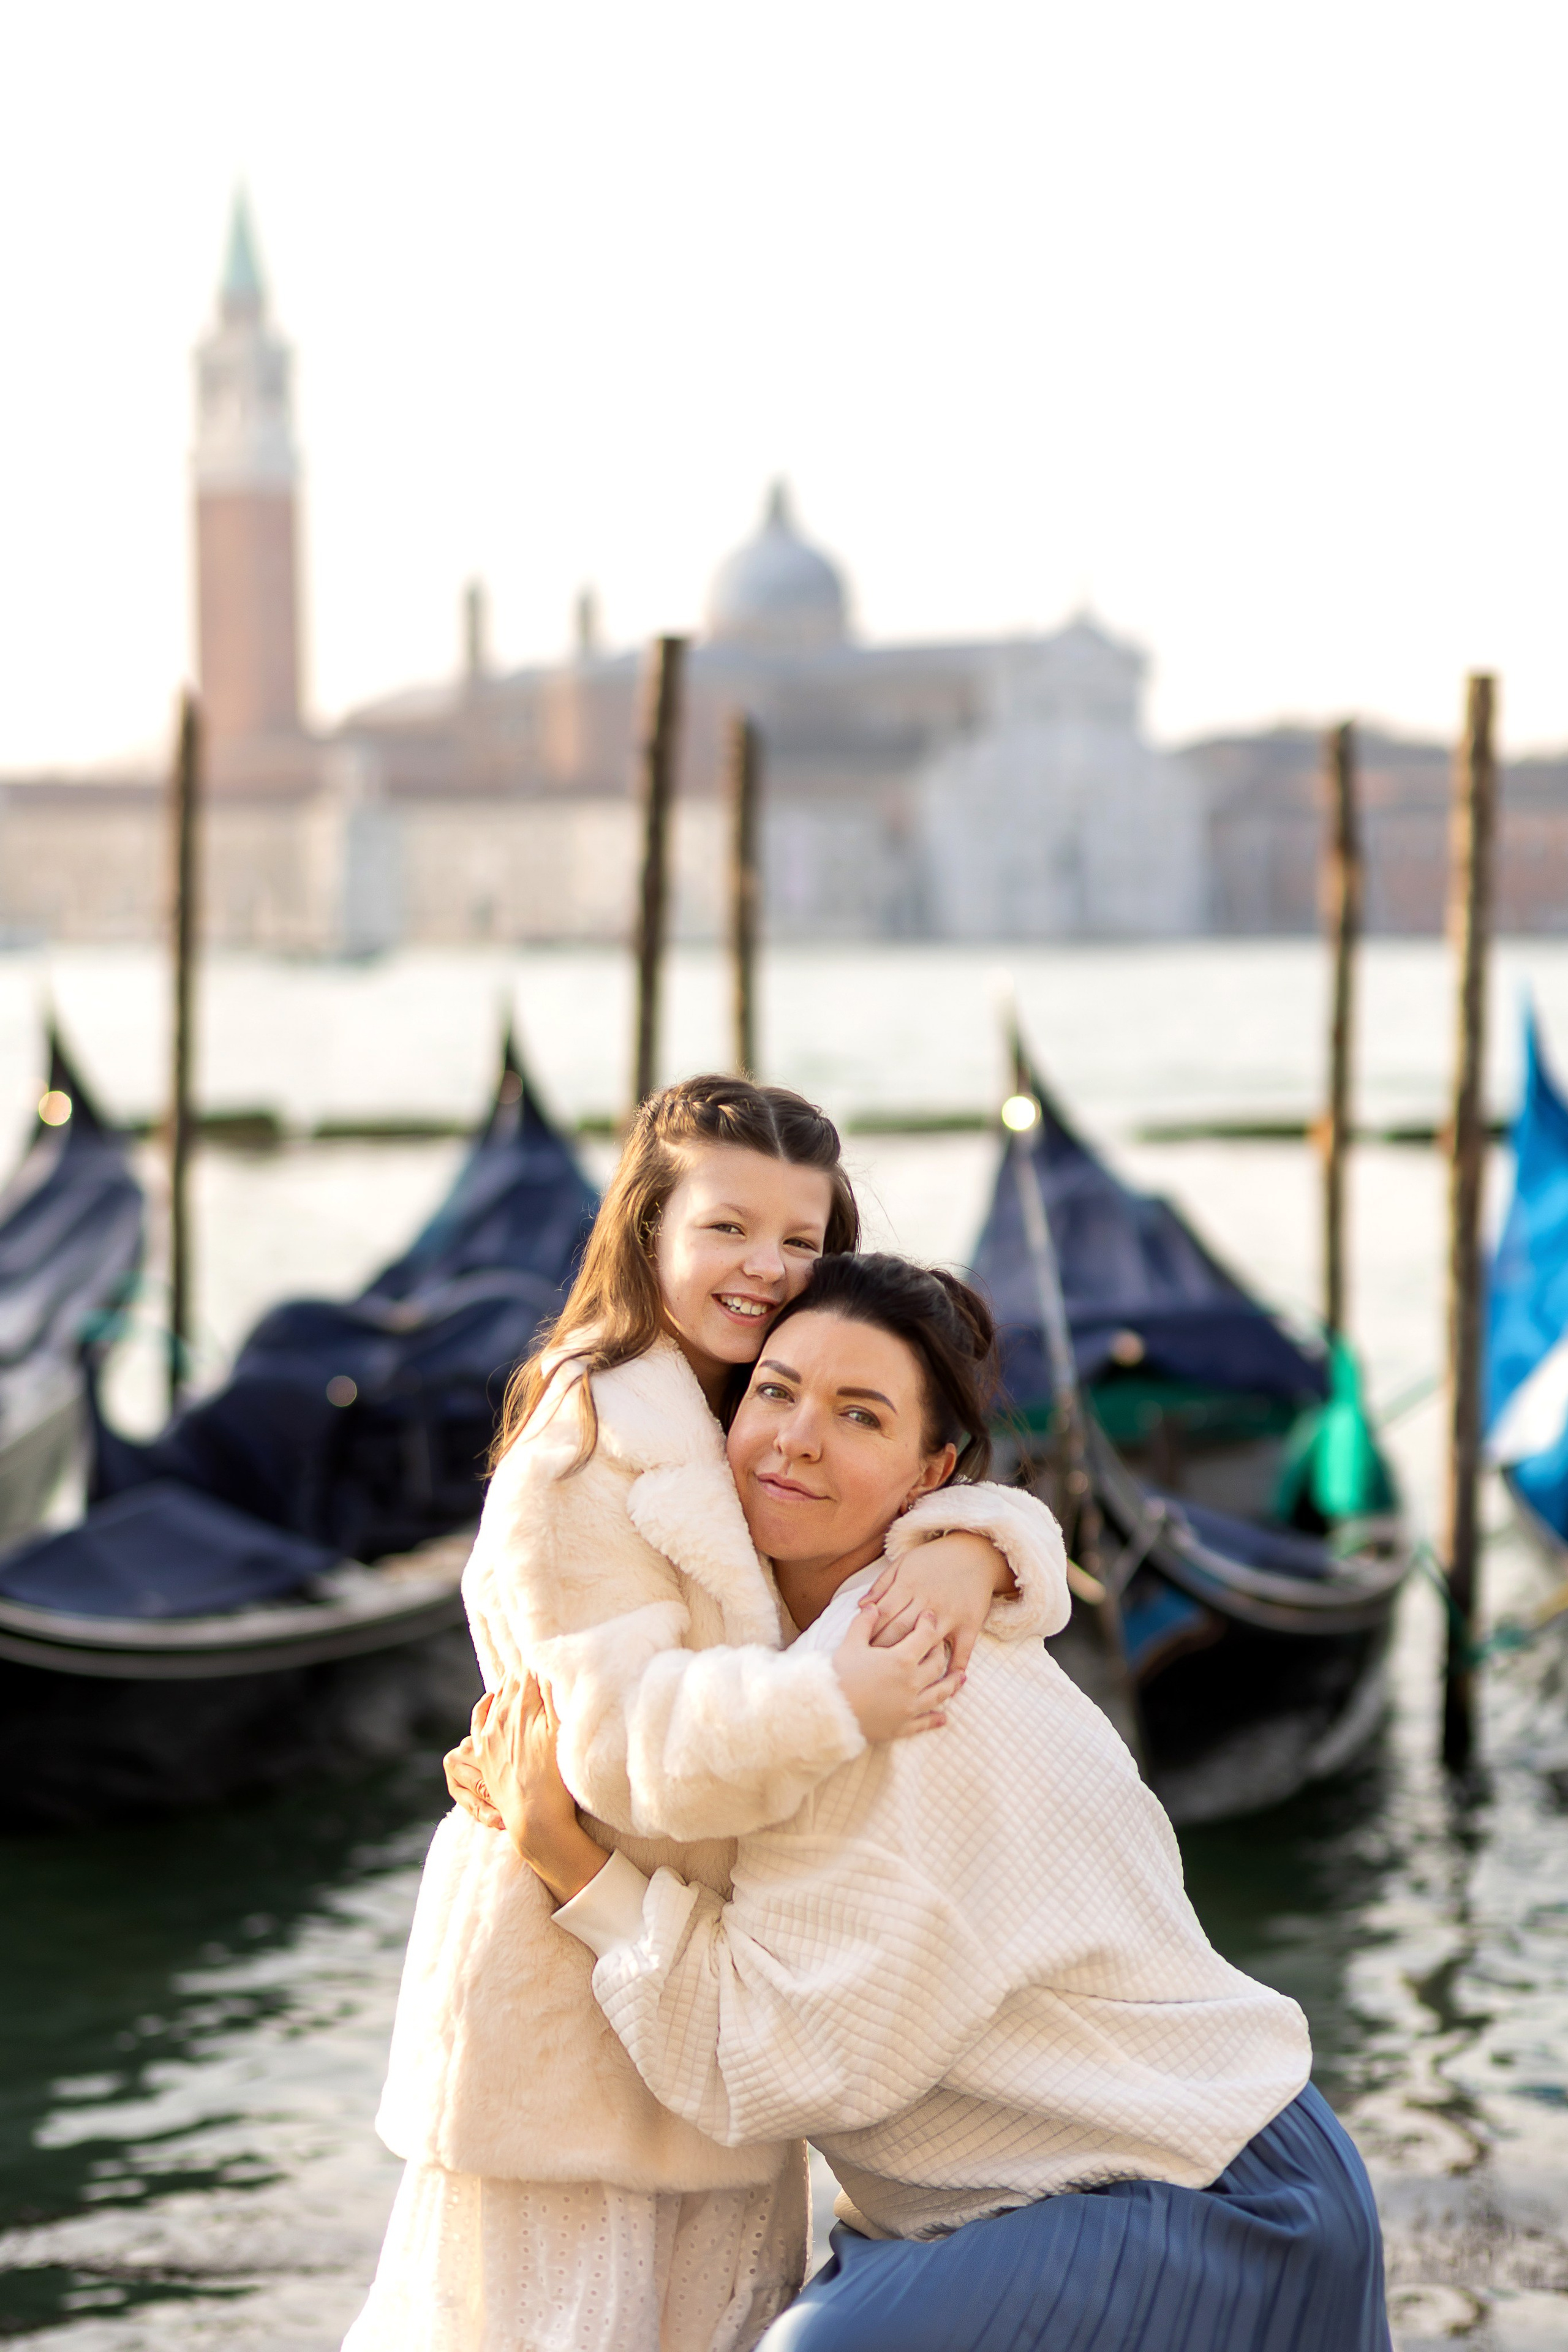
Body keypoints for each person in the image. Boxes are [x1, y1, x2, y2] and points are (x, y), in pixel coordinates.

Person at [473, 1253, 1392, 2352]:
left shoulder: (896, 1677)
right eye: (774, 1390)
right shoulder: (840, 1642)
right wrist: (979, 1543)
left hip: (1201, 2187)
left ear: (929, 1470)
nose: (797, 1437)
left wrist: (566, 1858)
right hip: (1057, 2183)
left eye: (859, 1415)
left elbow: (767, 2062)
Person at [345, 1082, 1065, 2352]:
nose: (768, 1268)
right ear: (649, 1232)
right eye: (727, 1229)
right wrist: (829, 1698)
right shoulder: (582, 1446)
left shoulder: (755, 1398)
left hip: (699, 2009)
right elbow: (615, 1746)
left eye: (802, 1238)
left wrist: (972, 1549)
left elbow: (917, 1491)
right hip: (566, 2020)